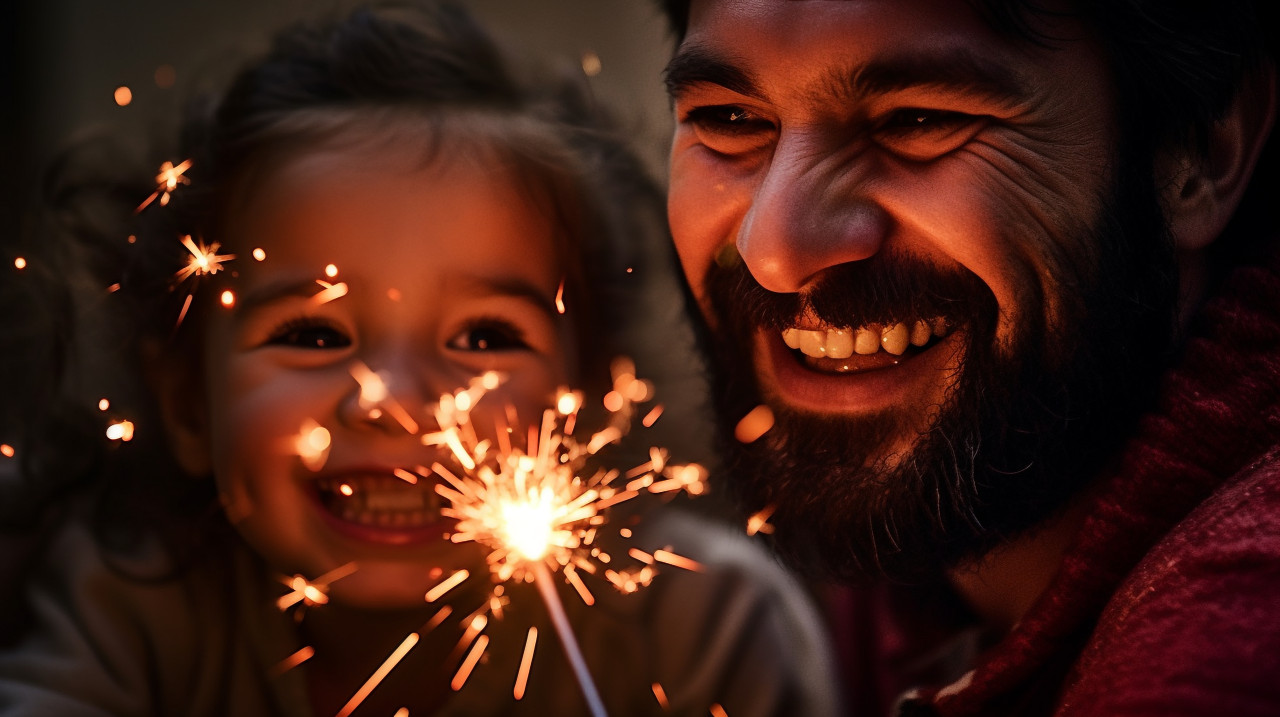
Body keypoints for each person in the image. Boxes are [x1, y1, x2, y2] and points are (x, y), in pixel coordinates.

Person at [0, 3, 842, 715]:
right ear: (188, 403)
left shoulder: (703, 621)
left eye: (484, 338)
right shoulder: (133, 599)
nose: (397, 400)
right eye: (314, 334)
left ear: (585, 400)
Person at [658, 0, 1280, 715]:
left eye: (918, 121)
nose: (775, 251)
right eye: (728, 121)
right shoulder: (918, 546)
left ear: (1200, 152)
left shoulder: (1232, 649)